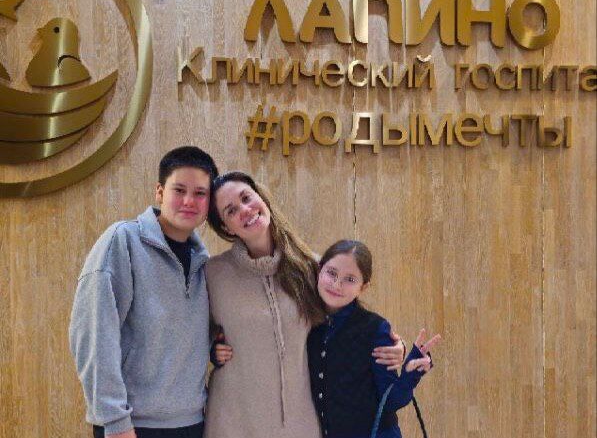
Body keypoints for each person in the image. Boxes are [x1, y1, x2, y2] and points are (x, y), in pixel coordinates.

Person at [204, 172, 406, 438]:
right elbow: (192, 333)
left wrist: (394, 346)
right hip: (232, 423)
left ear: (261, 197)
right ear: (227, 227)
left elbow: (349, 321)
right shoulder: (213, 274)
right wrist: (212, 348)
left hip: (300, 424)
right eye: (231, 210)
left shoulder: (310, 267)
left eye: (246, 198)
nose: (245, 210)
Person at [69, 146, 218, 438]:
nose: (189, 201)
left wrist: (215, 346)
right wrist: (114, 421)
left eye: (200, 193)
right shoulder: (122, 241)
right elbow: (93, 335)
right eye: (179, 190)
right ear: (159, 192)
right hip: (132, 425)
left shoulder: (204, 263)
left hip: (192, 423)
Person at [307, 240, 441, 438]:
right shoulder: (307, 323)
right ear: (320, 270)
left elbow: (391, 400)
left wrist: (410, 373)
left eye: (350, 279)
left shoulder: (375, 329)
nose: (337, 284)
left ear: (363, 287)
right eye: (332, 273)